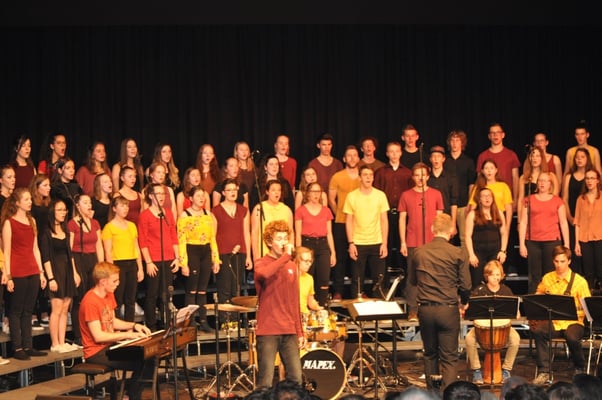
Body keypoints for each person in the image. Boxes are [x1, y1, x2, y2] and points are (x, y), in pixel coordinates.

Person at [411, 213, 471, 391]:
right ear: (451, 231)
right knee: (449, 358)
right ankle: (449, 394)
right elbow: (466, 285)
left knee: (430, 354)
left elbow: (413, 281)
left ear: (432, 229)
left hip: (426, 310)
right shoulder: (458, 252)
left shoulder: (419, 252)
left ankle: (432, 394)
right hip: (448, 309)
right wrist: (464, 302)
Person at [79, 261, 152, 400]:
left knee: (149, 357)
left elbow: (112, 321)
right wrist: (128, 335)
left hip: (110, 347)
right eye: (114, 281)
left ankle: (130, 394)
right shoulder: (90, 302)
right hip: (96, 352)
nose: (118, 283)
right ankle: (132, 396)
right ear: (102, 281)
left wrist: (134, 326)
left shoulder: (109, 294)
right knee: (143, 361)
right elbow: (98, 336)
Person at [254, 219, 304, 389]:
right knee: (265, 382)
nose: (283, 242)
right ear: (269, 242)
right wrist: (285, 257)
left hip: (289, 330)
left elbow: (294, 301)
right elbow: (265, 274)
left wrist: (300, 331)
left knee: (296, 379)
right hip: (268, 330)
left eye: (285, 238)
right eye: (279, 239)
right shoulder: (261, 263)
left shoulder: (291, 266)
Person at [532, 245, 591, 385]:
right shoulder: (547, 278)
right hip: (554, 321)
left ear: (569, 261)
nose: (559, 265)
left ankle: (579, 367)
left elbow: (588, 306)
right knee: (538, 331)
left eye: (562, 261)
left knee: (571, 336)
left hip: (574, 322)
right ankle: (544, 371)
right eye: (556, 261)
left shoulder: (580, 282)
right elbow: (538, 294)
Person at [1, 188, 48, 360]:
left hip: (32, 269)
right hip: (17, 270)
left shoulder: (31, 220)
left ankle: (28, 346)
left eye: (30, 199)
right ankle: (18, 347)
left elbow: (35, 249)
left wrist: (41, 272)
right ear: (17, 203)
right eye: (26, 199)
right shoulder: (9, 223)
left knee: (28, 310)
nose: (30, 202)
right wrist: (8, 275)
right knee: (16, 311)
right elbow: (6, 251)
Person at [399, 162, 444, 321]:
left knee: (434, 274)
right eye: (417, 175)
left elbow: (440, 219)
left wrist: (440, 239)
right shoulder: (406, 195)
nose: (420, 178)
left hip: (433, 242)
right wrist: (403, 242)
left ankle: (434, 307)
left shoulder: (436, 194)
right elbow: (402, 219)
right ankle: (413, 310)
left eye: (423, 175)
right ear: (413, 177)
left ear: (428, 176)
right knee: (413, 276)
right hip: (413, 241)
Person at [464, 260, 520, 384]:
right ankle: (476, 370)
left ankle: (506, 370)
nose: (495, 277)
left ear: (502, 276)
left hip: (503, 328)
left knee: (515, 339)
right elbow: (471, 313)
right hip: (481, 328)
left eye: (498, 274)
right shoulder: (479, 291)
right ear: (487, 276)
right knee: (469, 338)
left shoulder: (506, 291)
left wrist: (516, 313)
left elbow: (516, 312)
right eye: (492, 275)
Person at [177, 186, 220, 332]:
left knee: (202, 290)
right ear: (191, 198)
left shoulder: (208, 215)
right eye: (198, 196)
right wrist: (184, 263)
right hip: (192, 251)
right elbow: (181, 240)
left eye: (203, 196)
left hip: (205, 252)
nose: (201, 198)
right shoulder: (185, 215)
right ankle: (191, 322)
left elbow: (212, 238)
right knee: (192, 289)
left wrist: (215, 259)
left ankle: (203, 320)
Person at [519, 172, 570, 293]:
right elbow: (523, 222)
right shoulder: (529, 200)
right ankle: (534, 299)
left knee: (551, 273)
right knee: (534, 275)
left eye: (545, 181)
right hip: (533, 242)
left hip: (552, 241)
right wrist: (522, 244)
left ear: (550, 184)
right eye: (540, 180)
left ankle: (551, 299)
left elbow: (563, 223)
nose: (542, 183)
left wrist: (566, 244)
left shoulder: (557, 201)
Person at [40, 199, 80, 352]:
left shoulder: (66, 231)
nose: (63, 213)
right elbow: (46, 257)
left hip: (67, 271)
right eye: (59, 210)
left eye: (64, 210)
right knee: (56, 308)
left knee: (64, 309)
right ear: (52, 212)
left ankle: (62, 342)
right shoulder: (46, 233)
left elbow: (70, 255)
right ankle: (55, 343)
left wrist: (75, 273)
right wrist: (50, 278)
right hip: (55, 271)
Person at [138, 183, 180, 331]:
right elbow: (142, 241)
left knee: (166, 294)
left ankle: (166, 324)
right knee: (152, 294)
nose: (161, 197)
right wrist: (148, 262)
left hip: (168, 257)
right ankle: (151, 326)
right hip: (153, 259)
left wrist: (177, 257)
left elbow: (173, 235)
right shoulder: (145, 215)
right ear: (151, 196)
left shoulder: (167, 213)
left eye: (163, 194)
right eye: (158, 194)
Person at [343, 165, 389, 298]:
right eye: (365, 175)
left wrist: (384, 243)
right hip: (358, 242)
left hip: (377, 242)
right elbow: (349, 221)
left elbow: (384, 221)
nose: (368, 178)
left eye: (370, 175)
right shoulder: (352, 196)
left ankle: (379, 308)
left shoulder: (380, 195)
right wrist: (351, 243)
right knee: (357, 281)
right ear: (360, 178)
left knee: (379, 280)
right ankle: (356, 308)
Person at [374, 141, 412, 283]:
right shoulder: (380, 172)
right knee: (385, 247)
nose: (394, 154)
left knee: (403, 246)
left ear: (401, 153)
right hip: (385, 215)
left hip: (403, 215)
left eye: (397, 151)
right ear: (387, 154)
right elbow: (376, 193)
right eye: (391, 151)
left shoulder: (408, 173)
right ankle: (383, 283)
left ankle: (404, 282)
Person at [68, 193, 104, 346]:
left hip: (92, 260)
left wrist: (101, 266)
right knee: (80, 299)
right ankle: (78, 335)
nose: (89, 205)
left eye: (90, 202)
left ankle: (93, 332)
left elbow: (99, 245)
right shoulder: (72, 224)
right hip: (78, 259)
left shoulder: (94, 223)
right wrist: (74, 271)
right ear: (77, 206)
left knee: (93, 298)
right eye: (85, 202)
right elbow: (69, 249)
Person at [101, 196, 143, 322]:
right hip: (118, 264)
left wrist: (140, 268)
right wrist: (112, 272)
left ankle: (130, 326)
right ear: (114, 209)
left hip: (132, 263)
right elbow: (108, 251)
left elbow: (136, 247)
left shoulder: (131, 226)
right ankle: (117, 326)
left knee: (131, 299)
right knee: (117, 299)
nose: (125, 208)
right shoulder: (109, 227)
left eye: (127, 206)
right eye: (122, 206)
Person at [214, 179, 252, 314]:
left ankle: (235, 319)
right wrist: (215, 257)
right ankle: (224, 319)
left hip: (240, 252)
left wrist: (248, 256)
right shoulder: (216, 211)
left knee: (236, 288)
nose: (232, 192)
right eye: (229, 190)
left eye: (234, 189)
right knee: (224, 287)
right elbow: (213, 236)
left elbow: (246, 233)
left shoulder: (243, 210)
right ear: (223, 193)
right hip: (223, 253)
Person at [294, 181, 335, 305]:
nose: (316, 194)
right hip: (307, 244)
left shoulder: (326, 211)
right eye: (313, 191)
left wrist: (333, 252)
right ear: (307, 194)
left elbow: (329, 233)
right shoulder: (301, 211)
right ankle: (306, 306)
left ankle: (322, 306)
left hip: (322, 245)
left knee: (324, 278)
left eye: (318, 191)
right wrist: (298, 252)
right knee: (307, 276)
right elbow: (298, 233)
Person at [328, 145, 361, 300]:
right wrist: (339, 215)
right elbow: (331, 199)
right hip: (341, 222)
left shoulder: (363, 176)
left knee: (358, 259)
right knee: (340, 258)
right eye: (349, 155)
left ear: (358, 158)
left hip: (360, 223)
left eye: (355, 155)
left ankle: (358, 290)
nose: (352, 158)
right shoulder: (337, 177)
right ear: (344, 159)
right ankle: (338, 290)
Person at [465, 187, 508, 288]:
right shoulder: (473, 214)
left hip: (495, 252)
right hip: (478, 254)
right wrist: (471, 255)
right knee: (477, 281)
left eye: (489, 196)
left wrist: (503, 251)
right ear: (479, 199)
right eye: (484, 196)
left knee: (496, 281)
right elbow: (467, 236)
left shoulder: (499, 213)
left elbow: (504, 233)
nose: (487, 198)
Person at [443, 130, 476, 249]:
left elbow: (471, 184)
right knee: (446, 236)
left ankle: (465, 260)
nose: (455, 143)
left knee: (465, 236)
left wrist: (470, 203)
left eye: (457, 140)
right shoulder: (444, 161)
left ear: (462, 143)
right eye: (452, 140)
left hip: (463, 204)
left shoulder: (468, 162)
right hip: (447, 204)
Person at [562, 147, 592, 276]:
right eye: (577, 157)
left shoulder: (591, 177)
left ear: (587, 159)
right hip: (572, 217)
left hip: (588, 220)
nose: (579, 159)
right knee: (574, 251)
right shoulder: (569, 176)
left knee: (587, 253)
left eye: (582, 157)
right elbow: (565, 198)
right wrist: (569, 217)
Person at [475, 122, 521, 206]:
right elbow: (479, 179)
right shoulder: (482, 156)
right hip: (487, 202)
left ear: (503, 135)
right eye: (492, 133)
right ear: (489, 136)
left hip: (506, 200)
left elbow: (515, 178)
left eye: (498, 132)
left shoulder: (511, 155)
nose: (495, 135)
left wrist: (515, 199)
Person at [251, 179, 294, 261]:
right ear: (267, 192)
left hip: (282, 253)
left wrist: (290, 252)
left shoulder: (287, 210)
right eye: (273, 190)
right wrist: (255, 255)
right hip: (264, 252)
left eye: (279, 190)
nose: (276, 193)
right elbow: (254, 233)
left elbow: (291, 232)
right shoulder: (259, 208)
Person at [574, 168, 602, 289]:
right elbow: (577, 222)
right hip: (585, 239)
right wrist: (576, 243)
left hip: (600, 238)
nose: (589, 181)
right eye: (587, 178)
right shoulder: (581, 199)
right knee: (588, 271)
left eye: (592, 178)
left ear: (598, 180)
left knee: (600, 270)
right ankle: (589, 295)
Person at [517, 147, 559, 226]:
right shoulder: (523, 178)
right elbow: (520, 200)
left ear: (542, 158)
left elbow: (555, 199)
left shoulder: (551, 176)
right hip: (528, 217)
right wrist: (519, 221)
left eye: (537, 156)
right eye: (532, 156)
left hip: (546, 217)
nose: (534, 158)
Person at [428, 145, 459, 238]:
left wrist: (453, 224)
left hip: (446, 216)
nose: (436, 159)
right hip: (430, 216)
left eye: (439, 156)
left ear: (443, 159)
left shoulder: (451, 178)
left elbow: (454, 203)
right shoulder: (426, 178)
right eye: (434, 156)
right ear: (430, 159)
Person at [307, 132, 344, 198]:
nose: (327, 147)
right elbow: (310, 185)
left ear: (332, 145)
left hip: (335, 199)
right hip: (319, 199)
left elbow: (342, 184)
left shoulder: (338, 164)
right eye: (324, 145)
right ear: (318, 145)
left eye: (329, 144)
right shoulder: (312, 164)